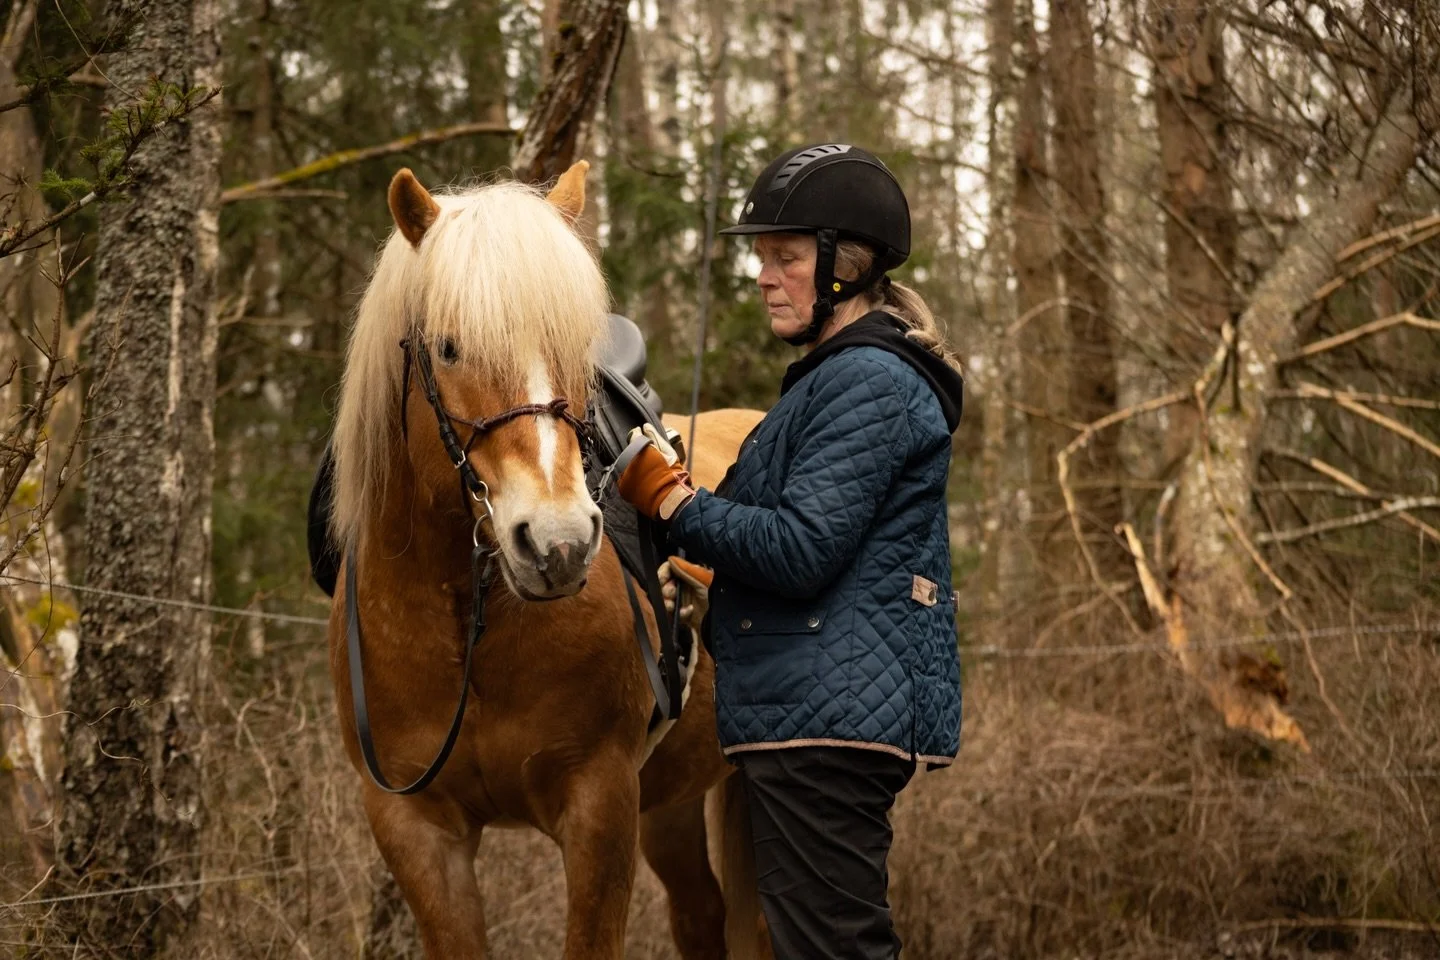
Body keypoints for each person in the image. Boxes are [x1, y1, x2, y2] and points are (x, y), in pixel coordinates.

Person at [618, 143, 964, 960]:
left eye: (786, 257)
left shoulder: (869, 381)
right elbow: (772, 537)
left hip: (830, 721)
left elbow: (804, 548)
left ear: (847, 265)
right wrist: (696, 563)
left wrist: (671, 498)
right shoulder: (829, 379)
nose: (765, 277)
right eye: (760, 259)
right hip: (807, 711)